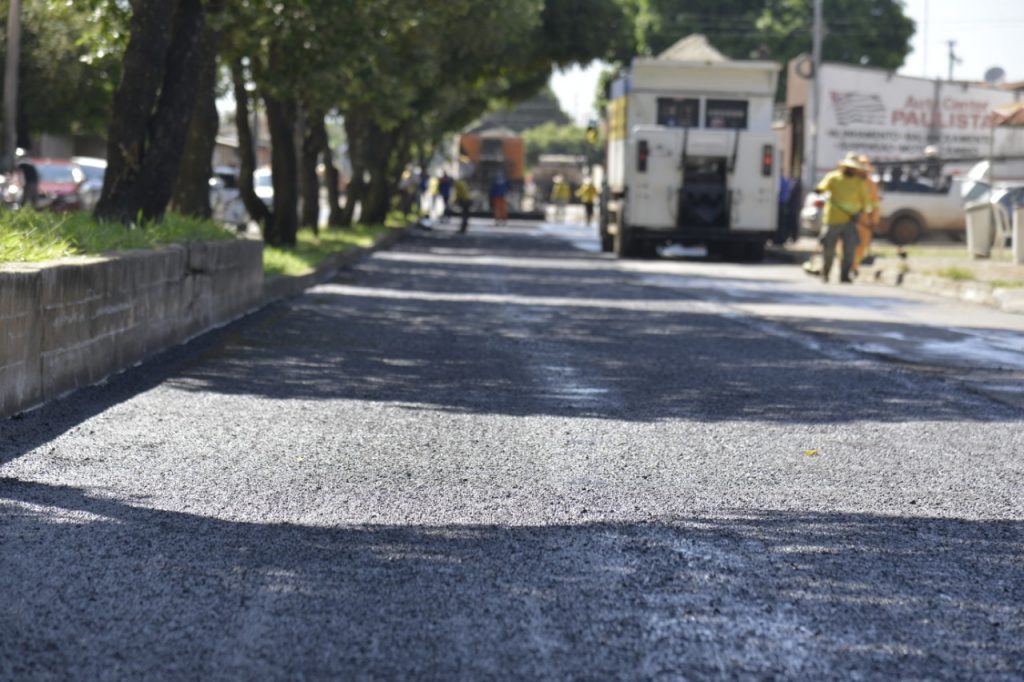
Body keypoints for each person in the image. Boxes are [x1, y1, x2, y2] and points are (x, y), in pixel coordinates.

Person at [815, 152, 871, 283]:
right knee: (828, 249)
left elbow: (865, 202)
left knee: (849, 250)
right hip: (832, 220)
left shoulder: (858, 183)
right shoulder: (833, 178)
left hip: (849, 221)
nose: (851, 170)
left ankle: (845, 275)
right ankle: (825, 272)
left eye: (853, 168)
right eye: (849, 167)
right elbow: (821, 188)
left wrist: (860, 213)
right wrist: (819, 190)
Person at [852, 154, 881, 276]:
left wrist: (874, 220)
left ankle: (855, 266)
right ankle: (846, 264)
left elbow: (875, 203)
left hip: (865, 221)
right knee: (846, 245)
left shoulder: (871, 184)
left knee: (862, 244)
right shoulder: (850, 182)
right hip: (850, 219)